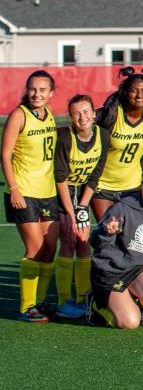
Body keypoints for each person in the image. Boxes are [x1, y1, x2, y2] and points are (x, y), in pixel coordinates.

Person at [2, 70, 60, 322]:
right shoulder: (19, 115)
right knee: (34, 249)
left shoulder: (49, 117)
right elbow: (5, 155)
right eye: (33, 89)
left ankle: (40, 302)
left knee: (49, 250)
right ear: (27, 90)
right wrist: (14, 188)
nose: (37, 94)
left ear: (51, 93)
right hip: (24, 192)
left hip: (48, 193)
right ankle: (26, 307)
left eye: (42, 89)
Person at [86, 166, 143, 329]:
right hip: (109, 271)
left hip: (134, 269)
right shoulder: (121, 208)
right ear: (141, 185)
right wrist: (107, 233)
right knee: (130, 323)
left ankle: (130, 298)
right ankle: (96, 304)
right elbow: (94, 242)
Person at [53, 95, 111, 318]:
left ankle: (83, 297)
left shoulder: (103, 136)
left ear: (94, 114)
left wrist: (82, 208)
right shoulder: (65, 138)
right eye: (77, 113)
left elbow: (95, 176)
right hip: (63, 194)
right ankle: (63, 301)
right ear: (70, 117)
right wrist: (70, 213)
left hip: (83, 195)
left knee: (84, 242)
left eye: (86, 111)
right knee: (69, 240)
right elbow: (60, 178)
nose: (82, 117)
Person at [93, 67, 143, 219]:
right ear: (125, 93)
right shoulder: (110, 114)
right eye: (134, 90)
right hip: (103, 185)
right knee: (106, 235)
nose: (140, 95)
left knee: (128, 238)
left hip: (133, 186)